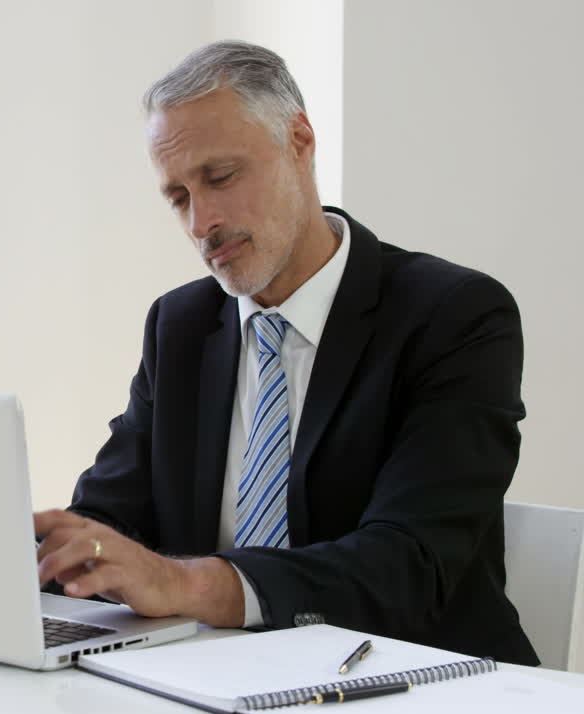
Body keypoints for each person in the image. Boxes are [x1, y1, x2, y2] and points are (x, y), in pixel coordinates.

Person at [32, 40, 538, 665]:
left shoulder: (454, 316)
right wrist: (37, 555)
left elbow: (408, 564)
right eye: (179, 197)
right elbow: (109, 521)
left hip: (420, 680)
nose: (201, 223)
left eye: (219, 177)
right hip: (213, 678)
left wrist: (187, 584)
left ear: (299, 141)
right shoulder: (180, 325)